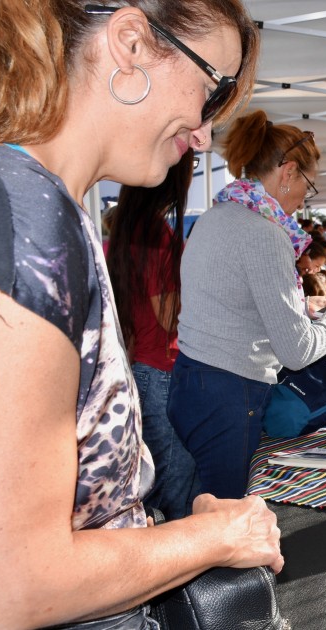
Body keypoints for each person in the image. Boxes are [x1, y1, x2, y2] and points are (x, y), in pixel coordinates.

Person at [0, 2, 282, 627]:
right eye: (210, 88)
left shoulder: (17, 199)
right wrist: (220, 537)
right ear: (131, 44)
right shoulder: (21, 215)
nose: (202, 132)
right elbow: (16, 584)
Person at [169, 110, 326, 500]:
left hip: (195, 382)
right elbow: (297, 352)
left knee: (205, 508)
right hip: (228, 392)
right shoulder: (263, 233)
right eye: (307, 186)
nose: (303, 200)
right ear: (288, 173)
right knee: (226, 525)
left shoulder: (217, 216)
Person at [106, 151, 200, 520]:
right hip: (161, 371)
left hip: (142, 368)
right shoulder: (156, 234)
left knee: (164, 485)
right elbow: (169, 317)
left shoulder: (129, 232)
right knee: (176, 489)